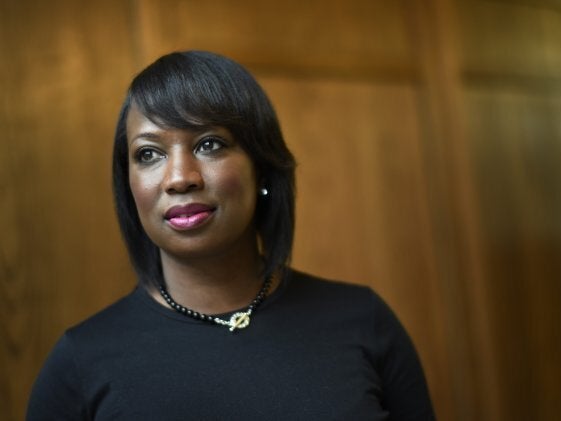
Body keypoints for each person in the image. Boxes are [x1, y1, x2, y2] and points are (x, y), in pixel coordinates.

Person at [27, 50, 435, 420]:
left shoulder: (363, 321)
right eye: (149, 153)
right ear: (129, 184)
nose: (179, 178)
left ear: (261, 168)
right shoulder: (80, 364)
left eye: (209, 144)